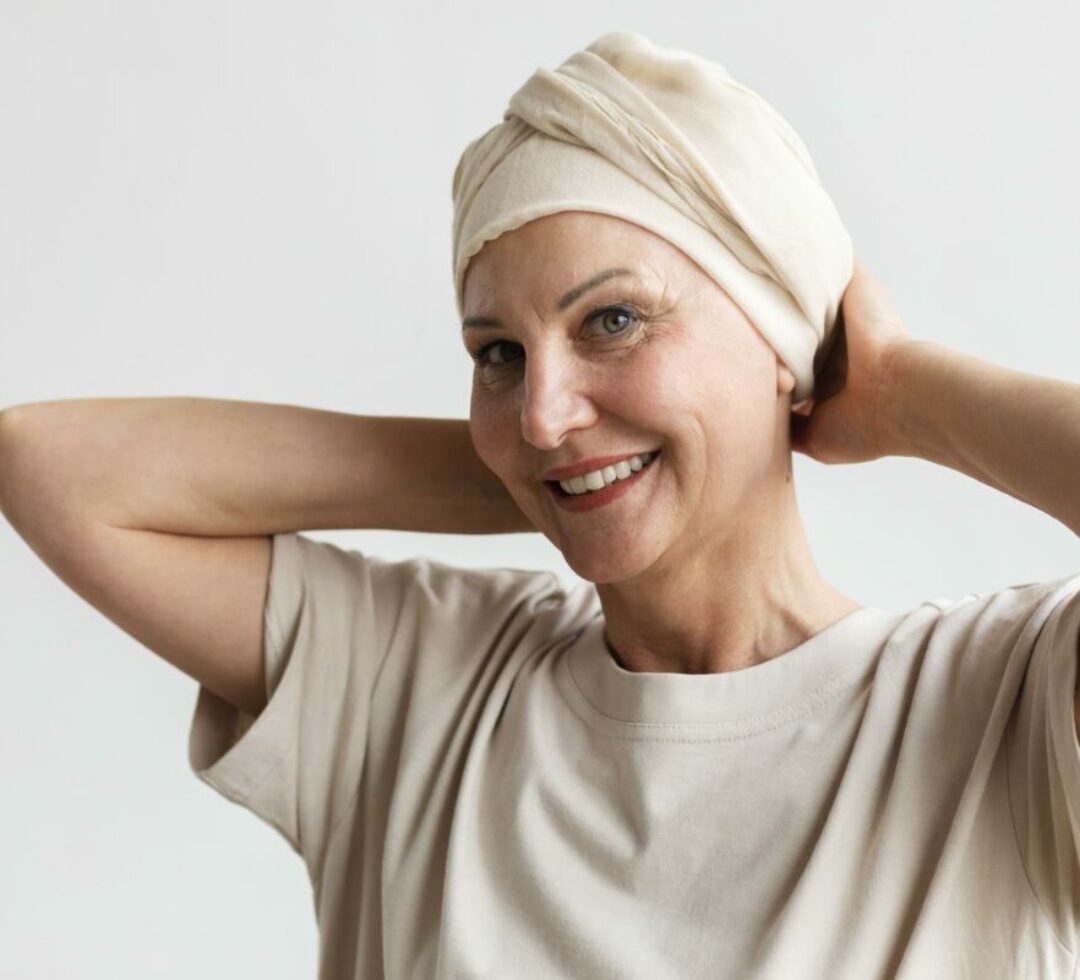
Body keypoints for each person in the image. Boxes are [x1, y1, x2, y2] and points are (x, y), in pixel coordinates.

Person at [3, 29, 1080, 980]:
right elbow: (49, 465)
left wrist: (895, 388)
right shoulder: (424, 685)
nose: (542, 408)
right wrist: (551, 473)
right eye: (499, 356)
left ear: (781, 343)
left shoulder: (1004, 713)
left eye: (612, 320)